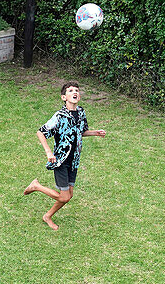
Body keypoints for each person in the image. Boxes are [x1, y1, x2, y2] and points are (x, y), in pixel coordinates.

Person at [23, 82, 106, 230]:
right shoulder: (59, 116)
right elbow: (41, 132)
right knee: (64, 196)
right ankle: (36, 186)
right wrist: (49, 152)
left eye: (77, 90)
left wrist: (95, 133)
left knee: (69, 195)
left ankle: (47, 216)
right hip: (61, 160)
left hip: (74, 161)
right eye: (70, 91)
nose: (75, 92)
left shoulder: (81, 112)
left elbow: (81, 131)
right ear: (64, 97)